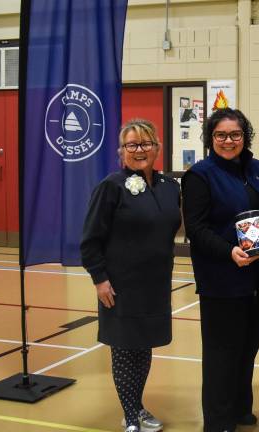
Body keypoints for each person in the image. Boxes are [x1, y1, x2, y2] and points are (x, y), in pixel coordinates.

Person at [81, 118, 181, 432]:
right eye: (132, 145)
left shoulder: (169, 187)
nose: (140, 150)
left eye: (146, 143)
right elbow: (90, 239)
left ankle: (137, 405)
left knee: (143, 347)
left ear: (158, 149)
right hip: (120, 286)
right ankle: (130, 416)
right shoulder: (111, 186)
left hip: (155, 285)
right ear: (121, 151)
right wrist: (100, 279)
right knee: (125, 350)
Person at [182, 108, 259, 432]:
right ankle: (219, 422)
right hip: (222, 279)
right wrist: (228, 252)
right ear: (211, 138)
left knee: (248, 347)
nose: (228, 141)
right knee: (222, 355)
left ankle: (240, 409)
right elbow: (196, 227)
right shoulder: (200, 175)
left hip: (258, 278)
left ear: (244, 136)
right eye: (220, 135)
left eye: (235, 134)